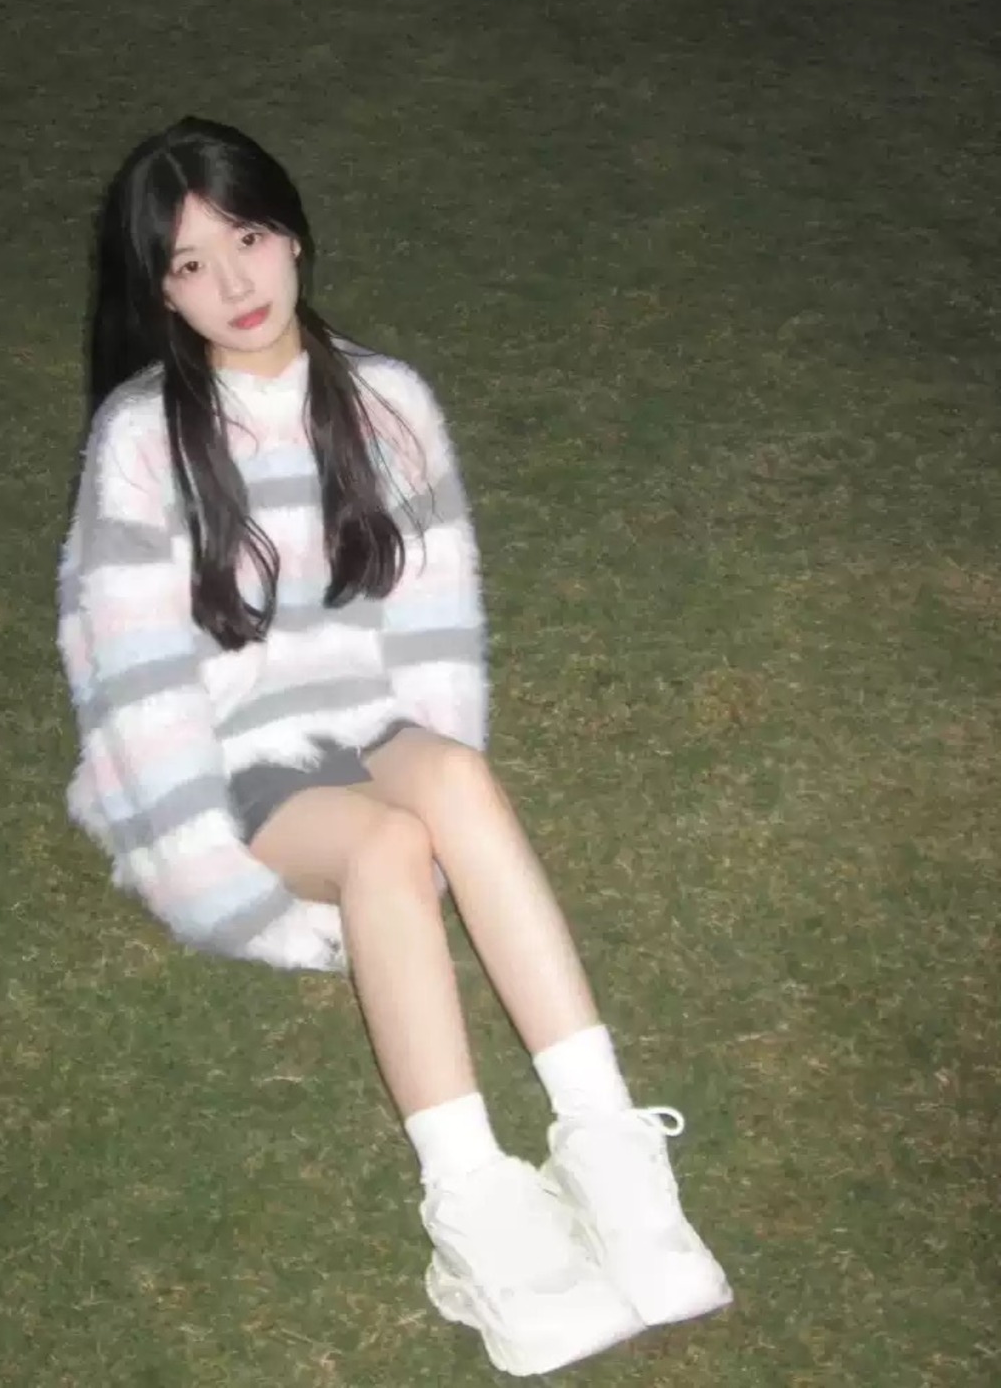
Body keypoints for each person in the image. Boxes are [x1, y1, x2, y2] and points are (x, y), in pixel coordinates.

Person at [58, 116, 732, 1376]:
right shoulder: (143, 438)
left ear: (291, 232)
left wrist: (438, 808)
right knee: (377, 851)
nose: (234, 284)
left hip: (368, 719)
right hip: (236, 755)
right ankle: (477, 1208)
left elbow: (433, 631)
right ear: (159, 293)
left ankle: (607, 1152)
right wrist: (209, 880)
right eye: (190, 265)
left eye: (247, 238)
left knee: (455, 780)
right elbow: (133, 682)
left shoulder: (385, 400)